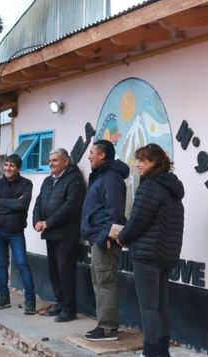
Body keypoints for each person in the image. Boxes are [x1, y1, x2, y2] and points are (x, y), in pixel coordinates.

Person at [114, 144, 184, 357]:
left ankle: (150, 352)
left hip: (147, 255)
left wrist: (121, 237)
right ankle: (162, 352)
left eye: (142, 161)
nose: (137, 164)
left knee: (148, 308)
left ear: (153, 162)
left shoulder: (150, 187)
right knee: (161, 306)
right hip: (166, 255)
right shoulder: (173, 189)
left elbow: (137, 221)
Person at [81, 139, 128, 341]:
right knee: (100, 282)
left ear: (102, 155)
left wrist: (102, 239)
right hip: (98, 238)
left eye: (92, 152)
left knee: (105, 282)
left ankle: (108, 329)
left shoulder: (110, 178)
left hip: (104, 240)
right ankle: (104, 325)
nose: (89, 155)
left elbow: (115, 213)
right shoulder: (102, 176)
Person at [32, 148, 86, 322]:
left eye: (55, 160)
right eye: (50, 161)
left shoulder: (74, 180)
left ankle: (69, 309)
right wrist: (36, 221)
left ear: (65, 161)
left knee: (65, 272)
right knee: (54, 272)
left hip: (66, 235)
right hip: (50, 234)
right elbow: (39, 202)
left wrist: (48, 223)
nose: (51, 164)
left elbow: (70, 207)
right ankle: (60, 303)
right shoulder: (48, 181)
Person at [0, 154, 36, 314]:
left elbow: (23, 204)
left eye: (12, 166)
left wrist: (1, 201)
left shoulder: (26, 184)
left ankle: (30, 301)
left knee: (22, 264)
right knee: (1, 264)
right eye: (6, 165)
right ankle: (4, 298)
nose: (8, 168)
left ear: (18, 168)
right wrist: (13, 205)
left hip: (16, 231)